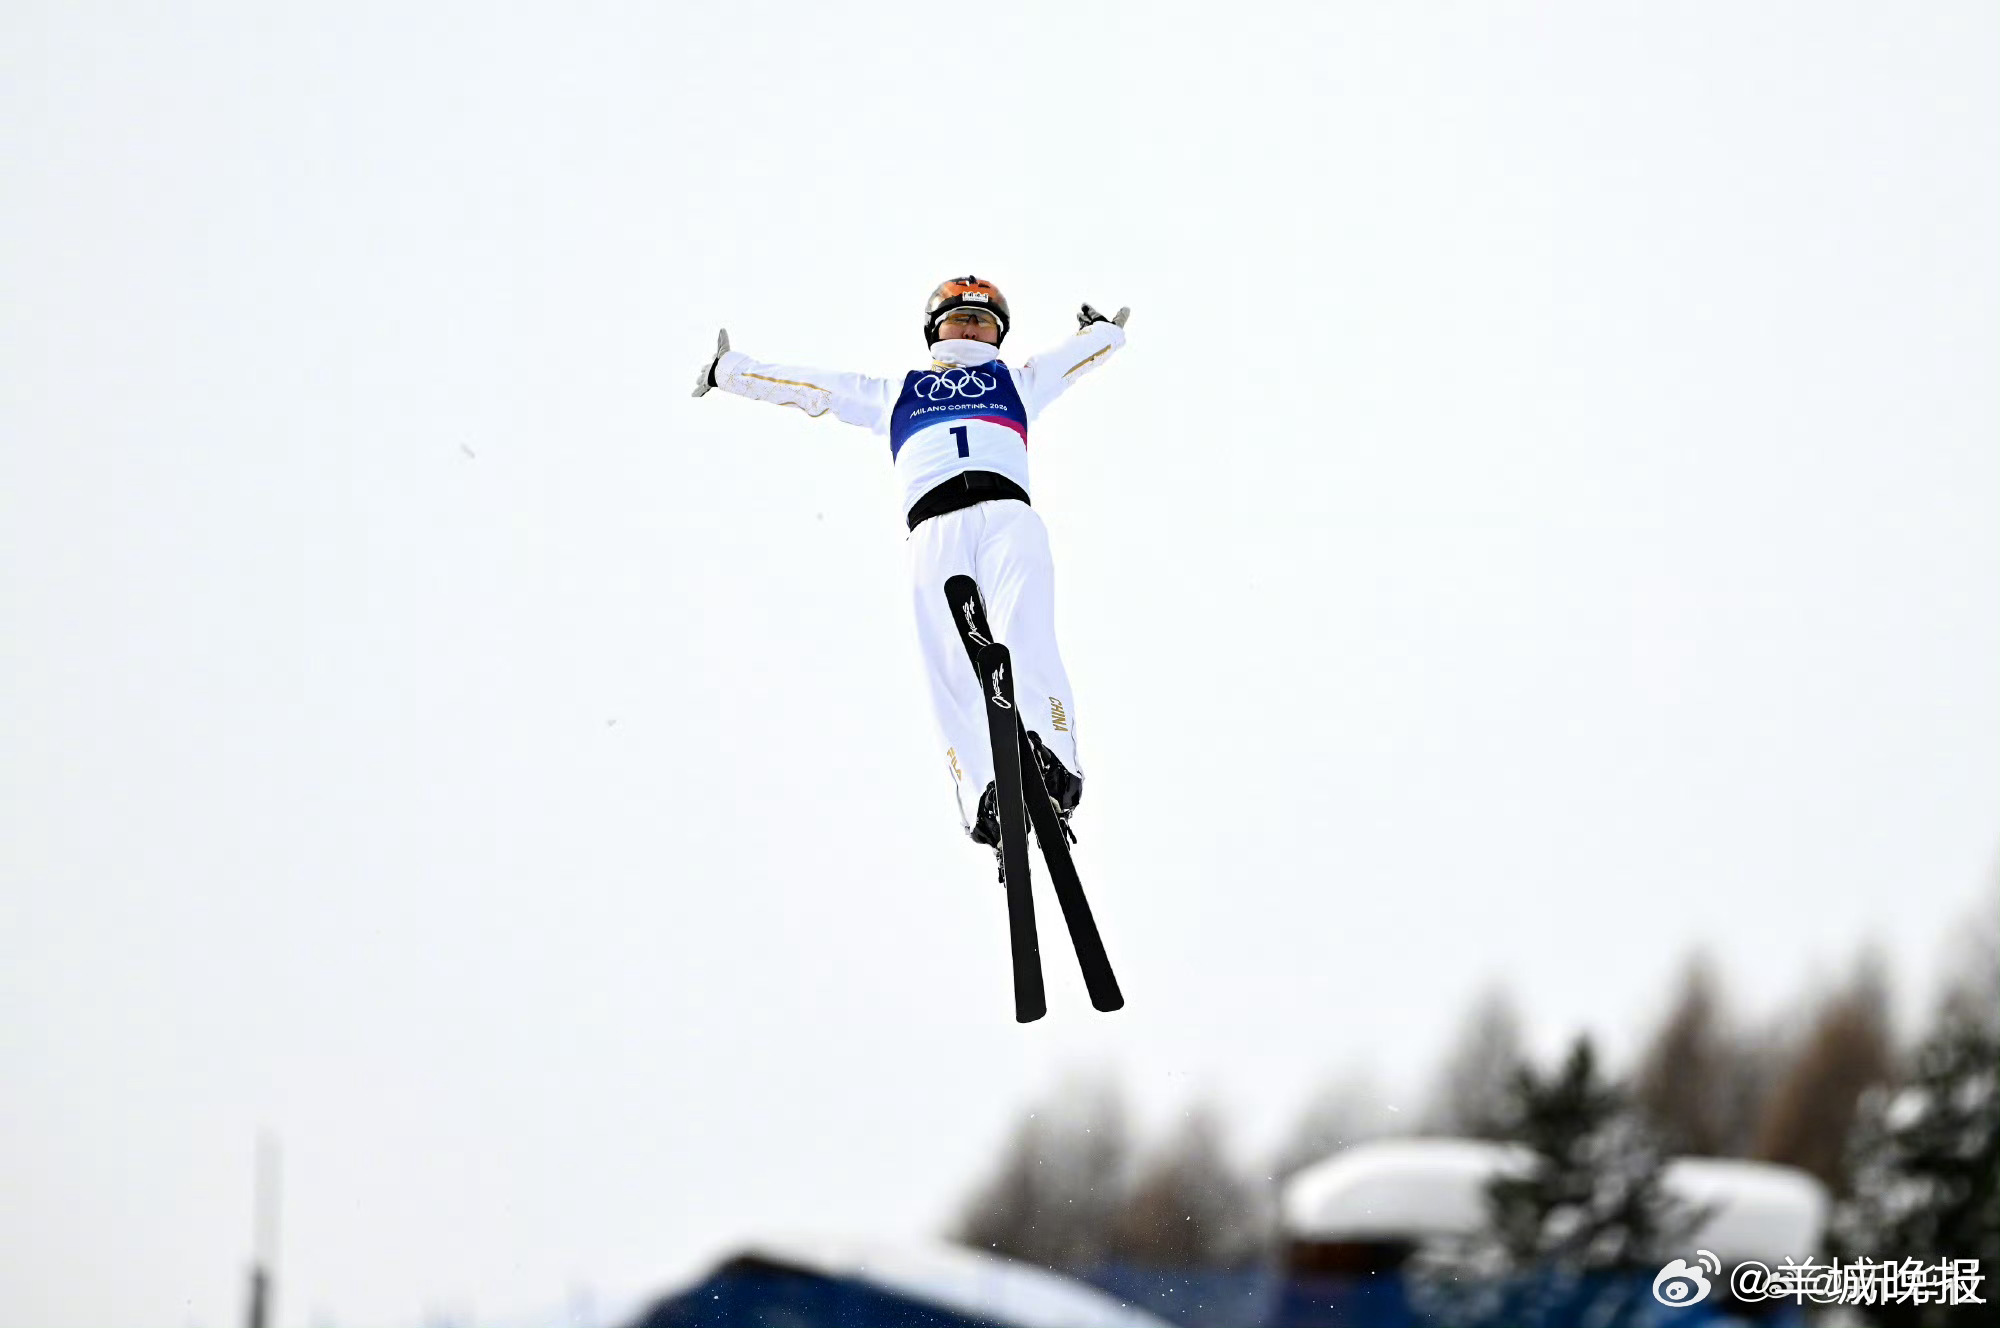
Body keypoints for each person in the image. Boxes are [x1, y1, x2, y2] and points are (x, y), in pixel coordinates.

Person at [692, 276, 1128, 864]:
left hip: (1007, 516)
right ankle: (987, 796)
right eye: (960, 318)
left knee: (1027, 632)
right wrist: (730, 371)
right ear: (935, 330)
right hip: (934, 528)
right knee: (949, 659)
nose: (971, 327)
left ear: (998, 332)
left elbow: (1075, 361)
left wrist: (1101, 334)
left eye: (983, 320)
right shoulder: (897, 392)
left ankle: (1052, 763)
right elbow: (813, 388)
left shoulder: (1016, 381)